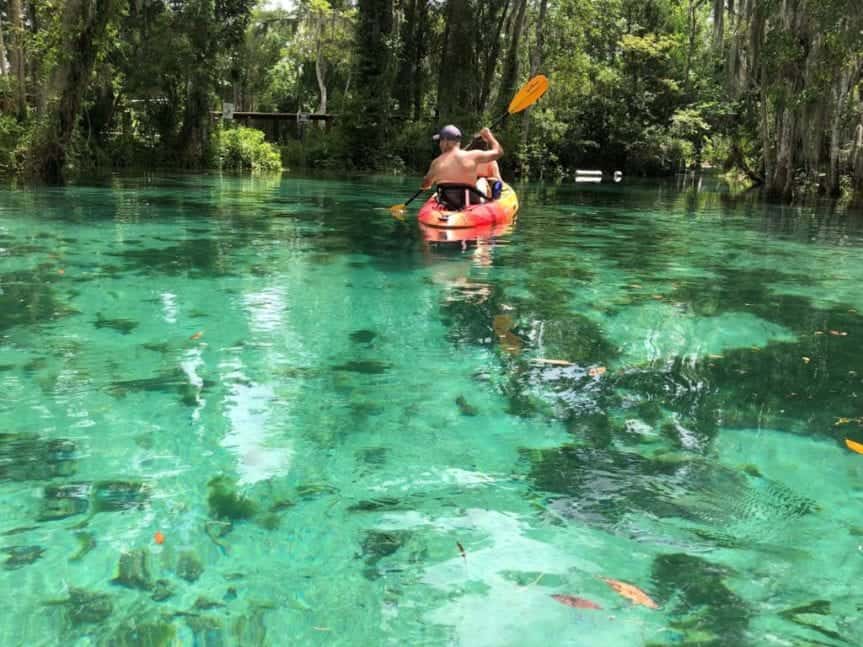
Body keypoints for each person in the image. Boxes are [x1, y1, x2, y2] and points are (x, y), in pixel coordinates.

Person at [420, 124, 503, 210]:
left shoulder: (436, 163)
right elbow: (498, 152)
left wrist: (426, 180)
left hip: (448, 204)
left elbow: (425, 185)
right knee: (482, 181)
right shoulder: (473, 155)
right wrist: (489, 136)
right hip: (471, 202)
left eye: (440, 141)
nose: (440, 144)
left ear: (446, 142)